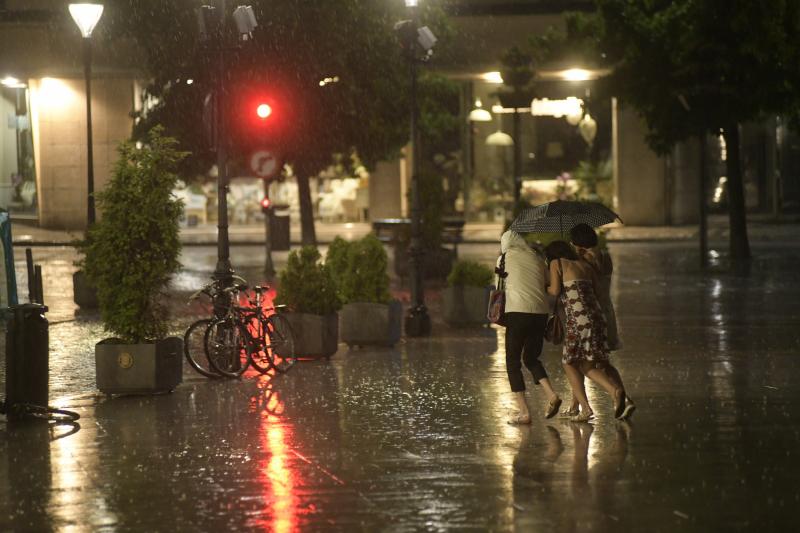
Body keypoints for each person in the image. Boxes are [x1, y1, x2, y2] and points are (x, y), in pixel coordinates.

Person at [545, 240, 634, 422]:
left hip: (579, 319)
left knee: (572, 363)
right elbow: (596, 290)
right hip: (597, 317)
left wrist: (543, 286)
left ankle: (609, 394)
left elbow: (554, 291)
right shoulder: (585, 265)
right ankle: (582, 406)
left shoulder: (556, 263)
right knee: (588, 362)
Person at [567, 224, 635, 420]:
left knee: (582, 362)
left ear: (577, 243)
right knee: (604, 362)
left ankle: (613, 395)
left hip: (591, 314)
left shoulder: (584, 261)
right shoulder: (605, 256)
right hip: (607, 312)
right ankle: (625, 401)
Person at [497, 230, 562, 425]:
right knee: (531, 358)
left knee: (512, 362)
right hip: (540, 313)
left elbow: (498, 286)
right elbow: (547, 283)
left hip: (516, 312)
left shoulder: (504, 258)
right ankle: (552, 395)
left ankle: (524, 412)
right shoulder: (537, 257)